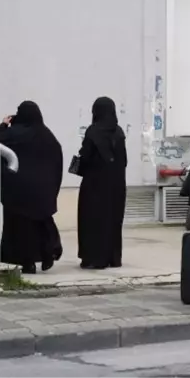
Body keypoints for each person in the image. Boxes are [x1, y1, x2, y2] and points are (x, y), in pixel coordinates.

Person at [0, 101, 63, 274]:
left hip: (19, 192)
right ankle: (47, 254)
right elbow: (57, 161)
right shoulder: (47, 135)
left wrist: (3, 125)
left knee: (21, 229)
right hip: (42, 192)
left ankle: (27, 262)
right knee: (41, 223)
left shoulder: (13, 134)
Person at [77, 97, 127, 270]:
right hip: (117, 185)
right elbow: (124, 160)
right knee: (113, 220)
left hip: (95, 185)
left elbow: (86, 157)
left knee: (92, 220)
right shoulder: (119, 132)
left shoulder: (93, 132)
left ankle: (93, 258)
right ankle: (113, 257)